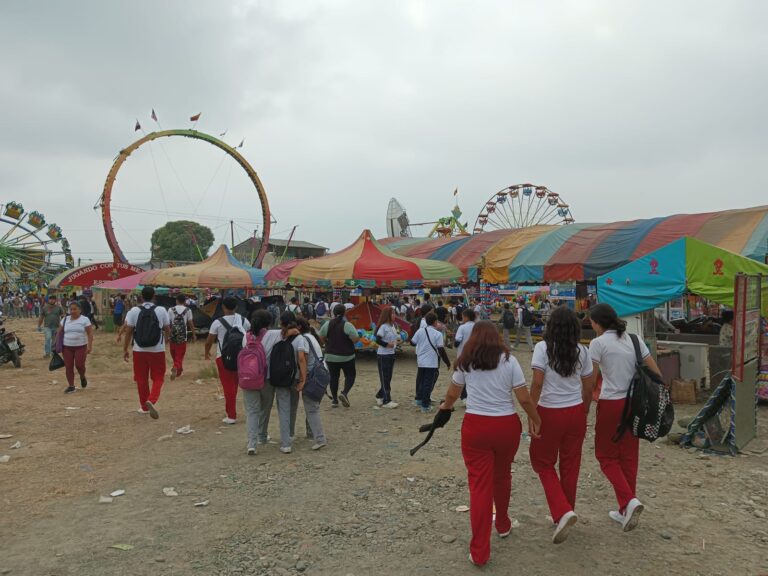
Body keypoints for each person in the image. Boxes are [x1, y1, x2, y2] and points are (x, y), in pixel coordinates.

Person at [438, 321, 541, 567]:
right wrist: (537, 419)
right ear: (497, 338)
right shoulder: (510, 361)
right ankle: (503, 523)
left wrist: (445, 408)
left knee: (479, 486)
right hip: (506, 426)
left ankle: (480, 551)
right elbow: (524, 399)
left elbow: (452, 394)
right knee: (502, 476)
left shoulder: (465, 361)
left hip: (476, 427)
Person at [588, 303, 662, 532]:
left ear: (598, 322)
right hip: (636, 403)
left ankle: (629, 501)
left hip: (611, 402)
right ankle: (625, 509)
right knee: (629, 455)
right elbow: (656, 373)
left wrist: (584, 404)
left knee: (605, 455)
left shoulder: (598, 343)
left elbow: (591, 380)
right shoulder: (634, 339)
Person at [529, 307, 595, 544]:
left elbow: (537, 384)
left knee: (542, 462)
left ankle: (562, 511)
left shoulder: (542, 349)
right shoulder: (583, 351)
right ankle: (565, 511)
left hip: (549, 411)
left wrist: (531, 414)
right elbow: (589, 387)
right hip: (575, 411)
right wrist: (585, 409)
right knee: (570, 464)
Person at [123, 287, 171, 418]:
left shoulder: (134, 310)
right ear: (154, 296)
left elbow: (128, 332)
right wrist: (166, 340)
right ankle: (152, 399)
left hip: (139, 350)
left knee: (141, 378)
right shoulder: (161, 310)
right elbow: (167, 328)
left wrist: (125, 349)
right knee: (158, 377)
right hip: (157, 350)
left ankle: (144, 407)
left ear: (141, 297)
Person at [206, 296, 250, 424]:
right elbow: (249, 335)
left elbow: (209, 341)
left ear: (223, 307)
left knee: (228, 386)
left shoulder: (217, 322)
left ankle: (231, 415)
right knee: (238, 385)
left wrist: (206, 352)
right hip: (241, 357)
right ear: (236, 307)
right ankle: (249, 413)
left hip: (223, 358)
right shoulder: (243, 321)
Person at [295, 317, 328, 450]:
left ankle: (320, 438)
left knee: (312, 408)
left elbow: (304, 361)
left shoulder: (303, 340)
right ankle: (311, 432)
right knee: (313, 405)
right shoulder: (312, 337)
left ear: (299, 327)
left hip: (312, 377)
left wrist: (302, 380)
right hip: (323, 373)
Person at [318, 304, 359, 407]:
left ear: (333, 312)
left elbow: (321, 337)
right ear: (345, 312)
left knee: (333, 377)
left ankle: (335, 400)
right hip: (347, 356)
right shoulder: (347, 325)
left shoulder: (327, 324)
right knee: (350, 375)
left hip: (330, 356)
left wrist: (326, 342)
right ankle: (344, 393)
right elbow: (355, 339)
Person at [411, 312, 450, 413]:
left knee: (421, 381)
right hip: (431, 362)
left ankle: (418, 400)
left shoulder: (420, 331)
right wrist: (447, 362)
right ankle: (425, 405)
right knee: (428, 383)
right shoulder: (438, 334)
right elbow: (441, 350)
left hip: (420, 361)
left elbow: (412, 342)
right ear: (435, 322)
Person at [56, 300, 94, 393]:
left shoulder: (85, 319)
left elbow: (90, 333)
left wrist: (89, 346)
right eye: (71, 309)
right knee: (68, 366)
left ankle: (82, 376)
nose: (72, 311)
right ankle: (71, 386)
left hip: (81, 347)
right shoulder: (65, 319)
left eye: (75, 309)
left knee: (79, 365)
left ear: (80, 310)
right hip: (67, 347)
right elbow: (59, 332)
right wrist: (56, 344)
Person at [374, 306, 400, 409]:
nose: (394, 315)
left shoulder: (393, 326)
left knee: (388, 378)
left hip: (391, 354)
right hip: (383, 355)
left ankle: (379, 395)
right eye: (392, 314)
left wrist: (396, 342)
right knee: (385, 378)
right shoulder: (383, 327)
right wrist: (386, 344)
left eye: (394, 313)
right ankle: (386, 400)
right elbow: (377, 340)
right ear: (387, 315)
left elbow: (395, 338)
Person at [168, 294, 196, 380]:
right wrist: (194, 334)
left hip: (172, 335)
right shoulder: (188, 310)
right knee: (180, 354)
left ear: (176, 300)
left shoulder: (170, 310)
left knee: (174, 353)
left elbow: (168, 323)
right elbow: (190, 323)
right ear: (184, 302)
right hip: (182, 336)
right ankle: (176, 367)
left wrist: (167, 334)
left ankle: (178, 370)